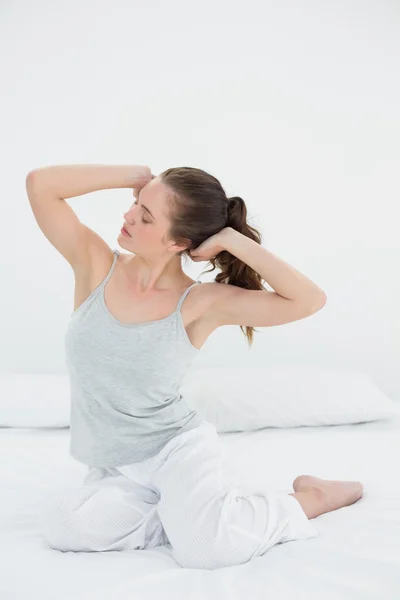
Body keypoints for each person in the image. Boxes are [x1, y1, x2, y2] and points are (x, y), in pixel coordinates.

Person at [26, 164, 363, 569]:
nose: (128, 215)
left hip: (175, 450)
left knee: (206, 552)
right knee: (66, 526)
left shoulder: (201, 302)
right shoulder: (96, 264)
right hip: (115, 464)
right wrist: (136, 176)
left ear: (179, 242)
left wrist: (230, 241)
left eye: (146, 216)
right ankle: (196, 516)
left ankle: (310, 498)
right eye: (135, 204)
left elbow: (309, 300)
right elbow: (40, 186)